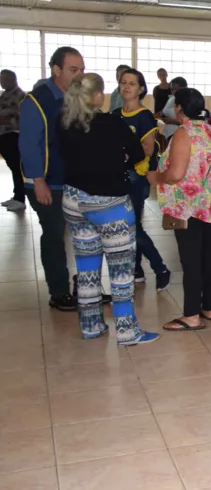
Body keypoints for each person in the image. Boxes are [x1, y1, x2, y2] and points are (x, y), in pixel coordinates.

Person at [57, 73, 158, 346]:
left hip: (74, 202)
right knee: (121, 271)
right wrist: (119, 157)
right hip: (109, 204)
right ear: (99, 96)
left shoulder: (64, 122)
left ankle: (91, 325)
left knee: (87, 268)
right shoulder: (112, 124)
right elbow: (138, 155)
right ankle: (127, 331)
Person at [154, 88, 211, 331]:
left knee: (191, 260)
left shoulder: (184, 133)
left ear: (179, 109)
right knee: (207, 257)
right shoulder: (209, 130)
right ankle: (209, 307)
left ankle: (191, 315)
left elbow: (175, 174)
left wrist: (156, 177)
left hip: (187, 206)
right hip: (208, 204)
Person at [20, 46, 84, 312]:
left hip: (71, 179)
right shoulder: (37, 100)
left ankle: (85, 286)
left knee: (83, 233)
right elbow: (28, 144)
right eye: (73, 69)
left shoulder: (75, 98)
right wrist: (38, 181)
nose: (79, 75)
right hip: (46, 181)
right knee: (55, 234)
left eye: (81, 69)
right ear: (56, 69)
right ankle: (58, 291)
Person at [115, 68, 171, 291]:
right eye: (123, 82)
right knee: (129, 224)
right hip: (117, 176)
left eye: (132, 83)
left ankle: (160, 268)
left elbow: (147, 149)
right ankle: (136, 269)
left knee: (131, 227)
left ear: (141, 89)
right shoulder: (116, 114)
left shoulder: (144, 116)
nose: (126, 86)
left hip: (135, 177)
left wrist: (122, 154)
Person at [0, 69, 26, 212]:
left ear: (12, 79)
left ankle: (20, 198)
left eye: (3, 79)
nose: (1, 82)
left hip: (13, 135)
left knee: (17, 167)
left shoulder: (19, 96)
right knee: (12, 167)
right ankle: (16, 196)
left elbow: (21, 118)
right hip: (3, 135)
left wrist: (4, 121)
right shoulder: (5, 95)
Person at [157, 76, 187, 150]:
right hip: (168, 133)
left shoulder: (186, 100)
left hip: (179, 133)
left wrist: (171, 121)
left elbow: (188, 121)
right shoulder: (172, 98)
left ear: (184, 87)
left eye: (176, 89)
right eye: (172, 89)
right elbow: (163, 111)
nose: (173, 91)